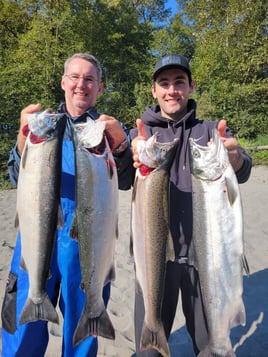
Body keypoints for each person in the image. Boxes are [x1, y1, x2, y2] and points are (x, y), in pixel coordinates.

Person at [1, 53, 134, 357]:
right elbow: (14, 176)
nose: (81, 85)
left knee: (82, 329)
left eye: (89, 79)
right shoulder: (41, 124)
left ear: (100, 88)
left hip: (86, 240)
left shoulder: (108, 129)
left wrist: (122, 144)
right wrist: (24, 141)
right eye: (74, 77)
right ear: (63, 82)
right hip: (36, 236)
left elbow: (125, 180)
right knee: (21, 330)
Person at [130, 54, 252, 356]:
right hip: (156, 260)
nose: (172, 90)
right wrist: (125, 146)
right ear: (154, 91)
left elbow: (244, 167)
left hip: (206, 260)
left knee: (212, 347)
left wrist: (235, 158)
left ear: (191, 86)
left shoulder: (211, 132)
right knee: (148, 350)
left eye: (179, 82)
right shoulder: (142, 134)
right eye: (164, 83)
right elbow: (118, 173)